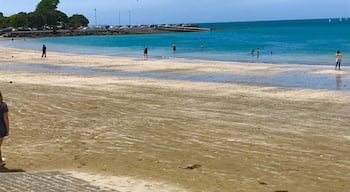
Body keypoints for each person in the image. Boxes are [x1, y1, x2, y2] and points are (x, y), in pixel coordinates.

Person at [0, 91, 9, 166]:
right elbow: (6, 118)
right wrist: (7, 130)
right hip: (1, 128)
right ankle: (1, 161)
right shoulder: (3, 105)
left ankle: (0, 160)